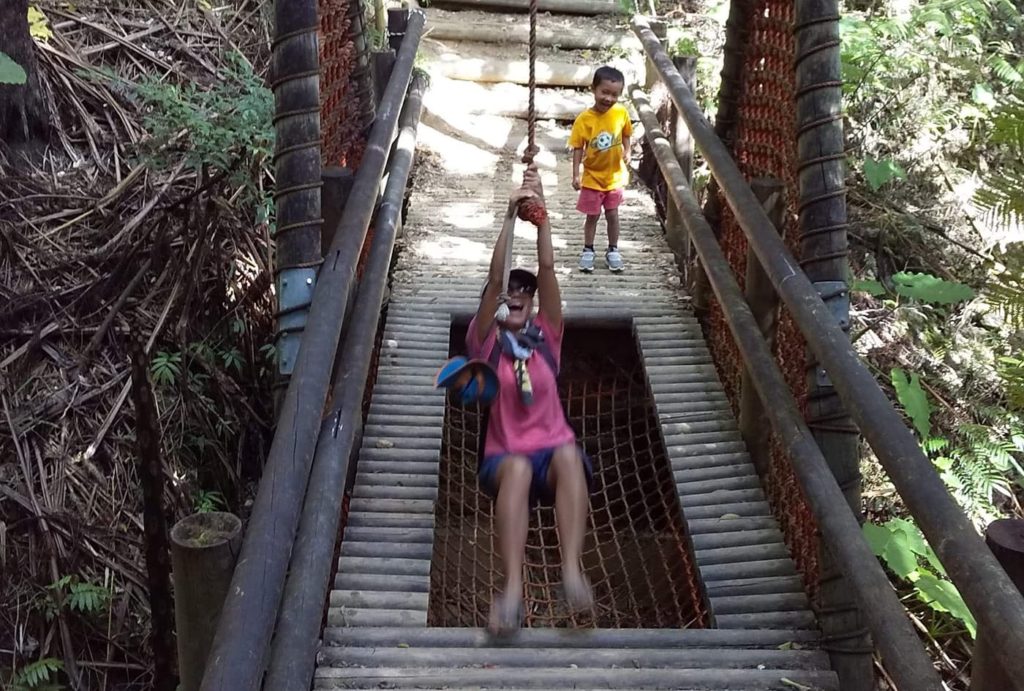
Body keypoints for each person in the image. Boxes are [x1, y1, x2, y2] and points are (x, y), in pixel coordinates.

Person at [468, 165, 594, 635]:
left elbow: (546, 270)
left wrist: (542, 223)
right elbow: (496, 274)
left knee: (567, 453)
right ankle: (513, 592)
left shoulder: (547, 335)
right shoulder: (485, 341)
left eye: (525, 293)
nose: (517, 294)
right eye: (510, 292)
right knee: (519, 469)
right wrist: (507, 216)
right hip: (507, 455)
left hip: (553, 446)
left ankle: (572, 574)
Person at [569, 65, 633, 274]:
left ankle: (613, 249)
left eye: (614, 94)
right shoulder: (584, 120)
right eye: (604, 92)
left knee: (613, 214)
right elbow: (578, 147)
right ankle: (588, 249)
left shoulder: (621, 113)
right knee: (592, 216)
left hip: (614, 176)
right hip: (592, 177)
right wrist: (575, 173)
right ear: (593, 89)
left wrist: (628, 150)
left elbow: (626, 133)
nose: (608, 98)